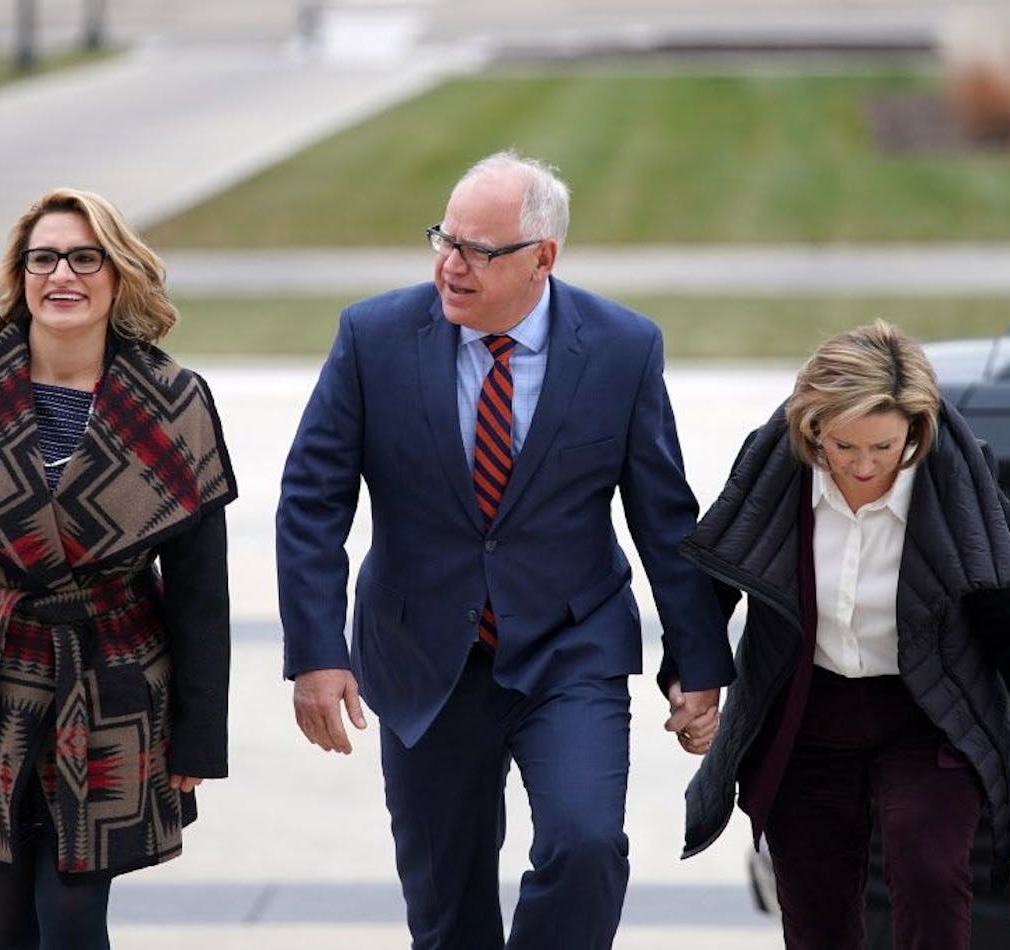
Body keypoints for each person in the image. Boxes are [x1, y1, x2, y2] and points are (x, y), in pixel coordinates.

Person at [276, 150, 736, 949]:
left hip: (570, 647)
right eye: (443, 240)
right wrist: (316, 653)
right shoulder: (373, 336)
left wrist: (697, 664)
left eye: (476, 251)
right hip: (423, 657)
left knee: (586, 846)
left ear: (542, 258)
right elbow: (311, 502)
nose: (449, 266)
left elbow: (665, 516)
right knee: (448, 910)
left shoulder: (624, 348)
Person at [0, 187, 236, 949]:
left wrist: (199, 737)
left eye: (82, 257)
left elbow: (201, 593)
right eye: (43, 258)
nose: (61, 274)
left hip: (108, 686)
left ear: (117, 274)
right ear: (20, 273)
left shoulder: (173, 404)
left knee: (72, 921)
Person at [673, 320, 1010, 948]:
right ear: (811, 428)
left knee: (930, 875)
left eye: (884, 448)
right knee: (816, 915)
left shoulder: (956, 482)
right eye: (843, 447)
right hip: (807, 714)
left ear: (916, 431)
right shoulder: (775, 465)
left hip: (928, 714)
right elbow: (716, 577)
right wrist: (691, 680)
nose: (864, 466)